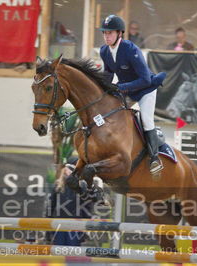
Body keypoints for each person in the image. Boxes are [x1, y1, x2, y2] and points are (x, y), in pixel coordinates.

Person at [99, 14, 166, 175]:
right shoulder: (104, 51)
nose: (107, 36)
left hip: (146, 89)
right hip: (128, 90)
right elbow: (107, 75)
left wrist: (121, 87)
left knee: (146, 120)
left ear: (119, 34)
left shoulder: (131, 49)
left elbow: (145, 79)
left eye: (110, 33)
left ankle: (154, 158)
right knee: (112, 113)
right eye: (105, 33)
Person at [46, 157, 93, 246]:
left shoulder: (83, 187)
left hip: (76, 225)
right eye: (66, 169)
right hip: (59, 225)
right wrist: (48, 230)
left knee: (72, 253)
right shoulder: (58, 186)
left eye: (70, 169)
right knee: (59, 252)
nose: (66, 171)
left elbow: (87, 210)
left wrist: (86, 230)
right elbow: (50, 208)